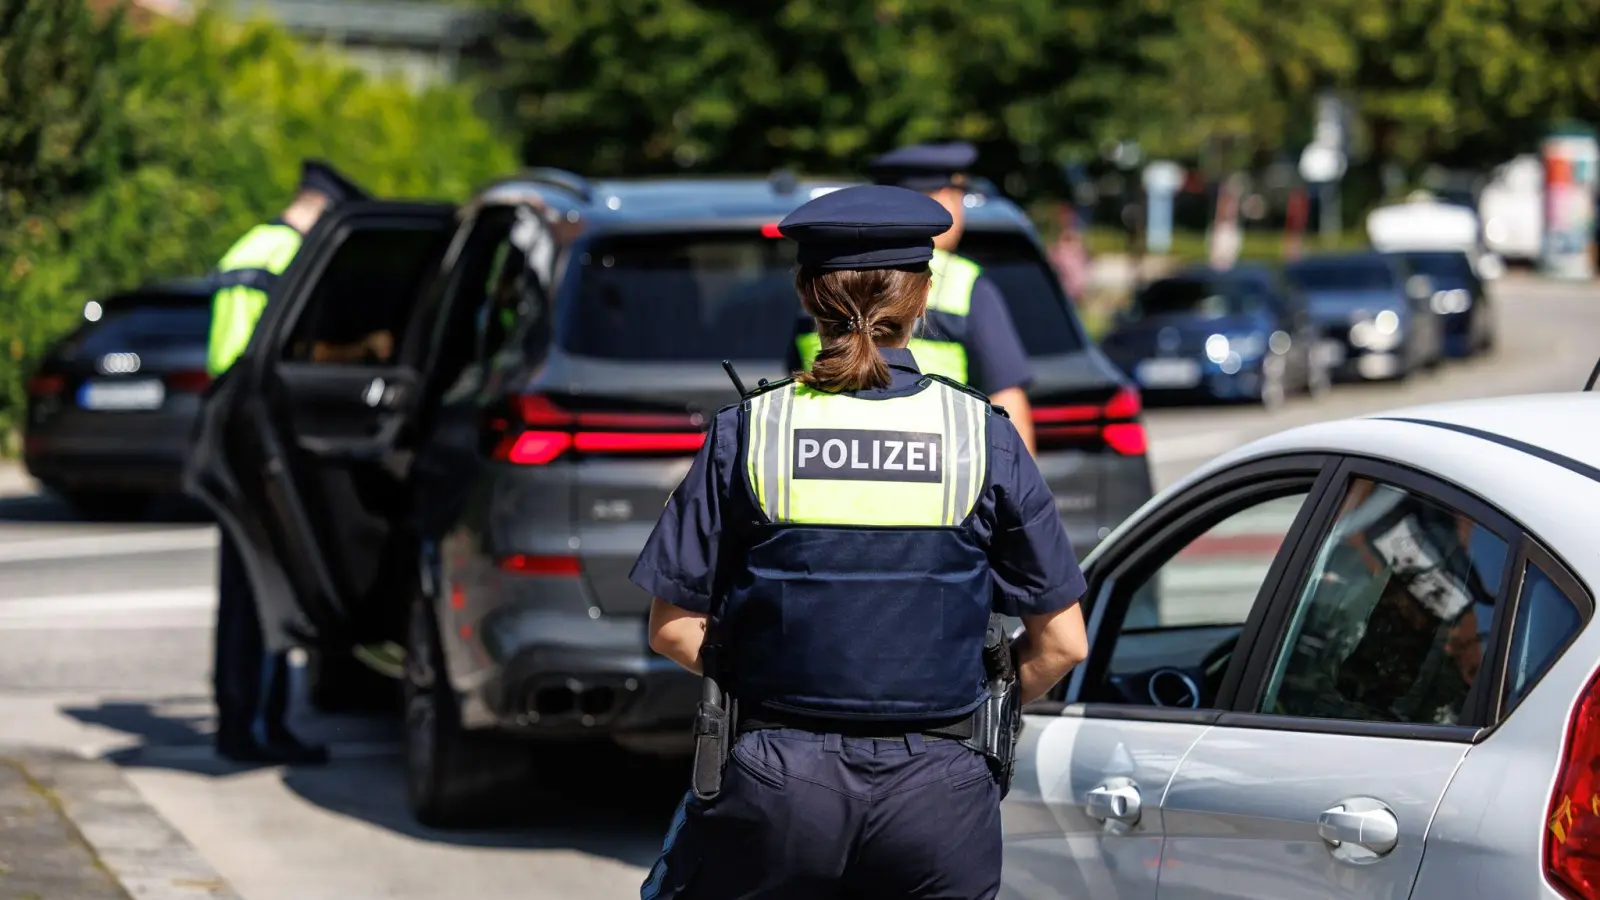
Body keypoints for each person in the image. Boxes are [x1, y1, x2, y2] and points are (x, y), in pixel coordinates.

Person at [633, 184, 1090, 899]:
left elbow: (672, 628)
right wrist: (976, 714)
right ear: (923, 297)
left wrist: (770, 691)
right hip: (942, 799)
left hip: (778, 786)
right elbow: (1063, 644)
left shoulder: (751, 431)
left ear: (806, 294)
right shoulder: (983, 436)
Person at [206, 160, 369, 765]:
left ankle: (248, 721)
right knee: (262, 593)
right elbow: (281, 354)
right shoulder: (286, 254)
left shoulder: (253, 243)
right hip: (256, 434)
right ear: (324, 211)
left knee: (249, 591)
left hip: (234, 429)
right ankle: (252, 727)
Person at [791, 141, 1037, 453]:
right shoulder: (966, 282)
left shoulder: (824, 273)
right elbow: (1007, 401)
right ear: (945, 199)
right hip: (942, 459)